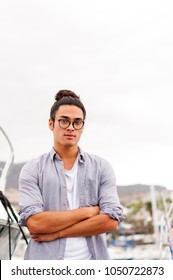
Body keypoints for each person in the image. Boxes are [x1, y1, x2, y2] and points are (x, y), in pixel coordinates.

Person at [19, 89, 123, 260]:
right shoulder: (33, 169)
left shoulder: (101, 167)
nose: (71, 128)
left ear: (82, 127)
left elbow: (111, 221)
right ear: (51, 124)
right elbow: (35, 224)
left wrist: (57, 233)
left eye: (77, 122)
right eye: (64, 121)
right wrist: (87, 212)